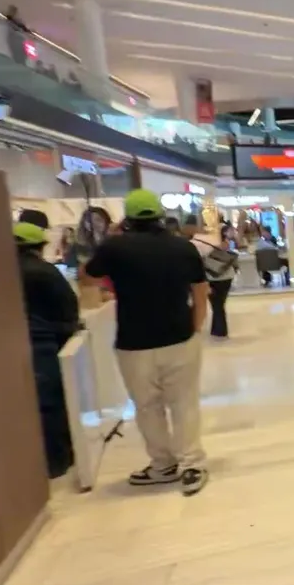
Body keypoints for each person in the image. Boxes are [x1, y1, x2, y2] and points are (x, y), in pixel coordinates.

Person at [83, 189, 210, 496]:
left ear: (127, 218)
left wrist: (112, 238)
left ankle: (162, 465)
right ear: (160, 216)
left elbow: (87, 276)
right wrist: (195, 327)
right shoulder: (182, 247)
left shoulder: (115, 248)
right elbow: (200, 291)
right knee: (184, 404)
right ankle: (192, 465)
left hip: (133, 342)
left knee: (147, 407)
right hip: (179, 336)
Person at [14, 222, 80, 479]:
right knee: (50, 404)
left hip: (10, 346)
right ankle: (58, 461)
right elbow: (68, 308)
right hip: (43, 343)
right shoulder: (44, 271)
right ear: (39, 247)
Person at [186, 218, 236, 340]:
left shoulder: (193, 243)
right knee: (219, 303)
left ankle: (220, 331)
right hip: (227, 273)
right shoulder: (215, 238)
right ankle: (218, 330)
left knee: (216, 304)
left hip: (211, 276)